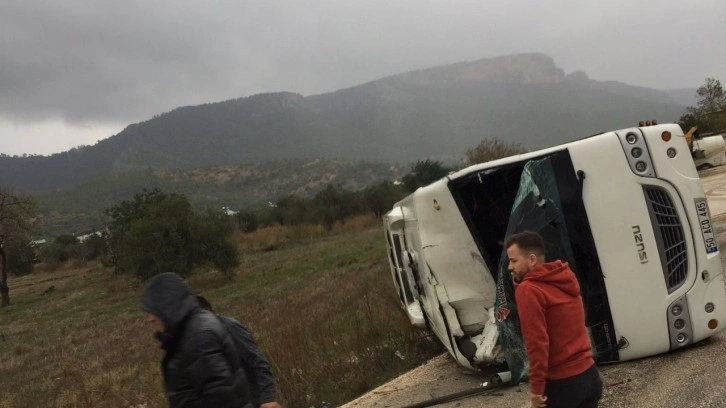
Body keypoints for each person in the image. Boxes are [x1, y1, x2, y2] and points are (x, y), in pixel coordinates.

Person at [505, 231, 602, 408]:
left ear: (532, 259)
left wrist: (536, 389)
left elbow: (537, 343)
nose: (509, 267)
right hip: (590, 375)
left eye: (513, 261)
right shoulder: (563, 278)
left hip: (563, 385)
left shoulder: (529, 290)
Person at [141, 272, 253, 408]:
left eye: (155, 311)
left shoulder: (198, 338)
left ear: (168, 307)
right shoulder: (190, 330)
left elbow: (222, 398)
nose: (150, 318)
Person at [196, 295, 283, 408]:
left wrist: (267, 398)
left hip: (253, 401)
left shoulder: (229, 328)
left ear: (207, 312)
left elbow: (258, 361)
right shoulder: (201, 340)